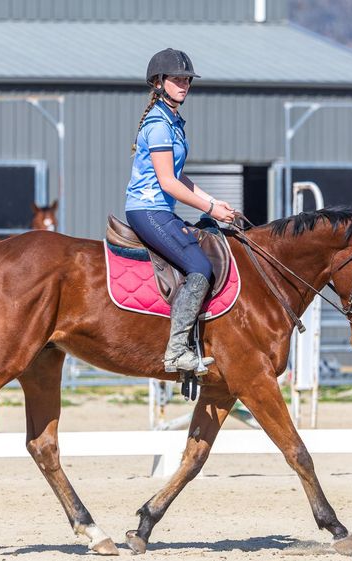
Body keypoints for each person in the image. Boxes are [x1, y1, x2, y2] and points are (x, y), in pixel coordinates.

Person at [125, 48, 236, 374]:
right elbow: (168, 183)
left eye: (187, 79)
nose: (184, 84)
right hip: (148, 210)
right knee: (200, 267)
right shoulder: (159, 126)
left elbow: (179, 177)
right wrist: (210, 208)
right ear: (159, 82)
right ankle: (175, 352)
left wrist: (214, 203)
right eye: (177, 79)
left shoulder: (172, 121)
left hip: (159, 209)